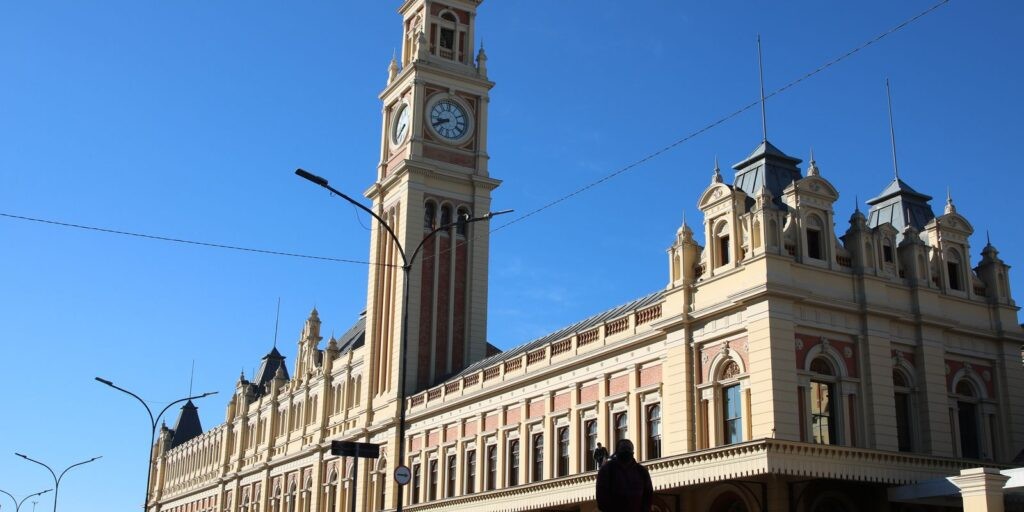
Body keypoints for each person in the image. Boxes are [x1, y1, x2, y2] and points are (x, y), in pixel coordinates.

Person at [596, 439, 653, 512]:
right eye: (623, 448)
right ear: (617, 451)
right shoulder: (607, 470)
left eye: (628, 449)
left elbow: (648, 495)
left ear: (633, 452)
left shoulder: (642, 472)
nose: (626, 451)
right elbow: (601, 497)